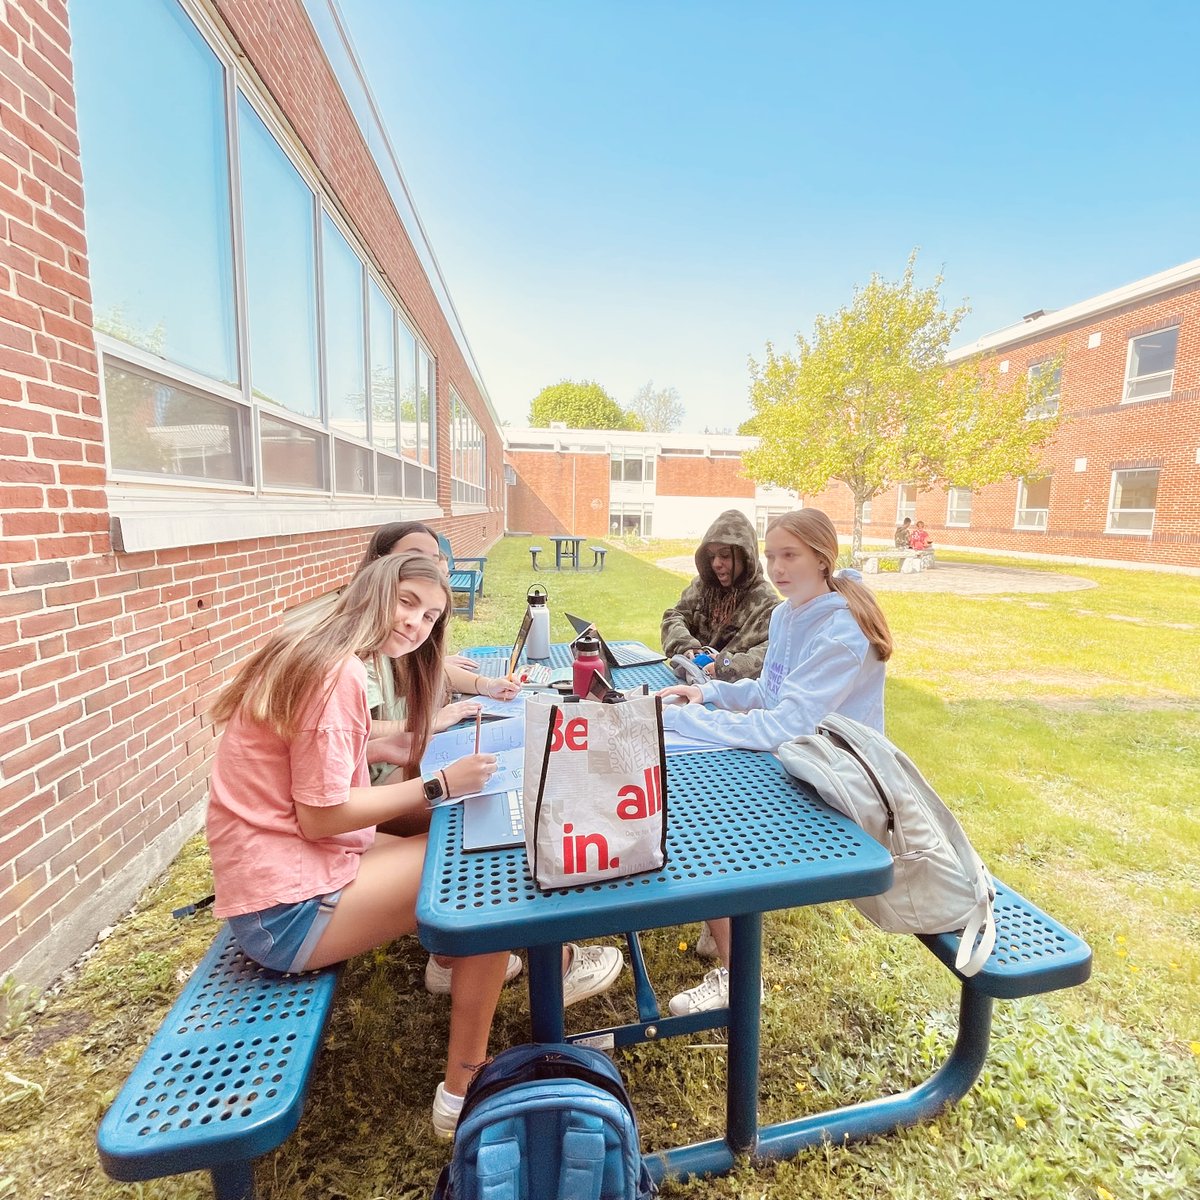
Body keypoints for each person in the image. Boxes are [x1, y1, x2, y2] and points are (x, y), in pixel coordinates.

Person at [206, 553, 509, 1138]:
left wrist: (377, 746)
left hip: (277, 881)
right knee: (485, 877)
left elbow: (303, 751)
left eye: (430, 617)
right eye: (408, 603)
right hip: (283, 912)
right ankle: (463, 1088)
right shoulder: (338, 675)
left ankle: (453, 962)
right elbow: (321, 817)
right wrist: (438, 783)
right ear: (376, 589)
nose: (417, 625)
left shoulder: (315, 644)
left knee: (448, 840)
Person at [357, 523, 623, 1010]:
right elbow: (353, 740)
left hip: (396, 772)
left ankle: (453, 958)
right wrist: (426, 736)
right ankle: (546, 961)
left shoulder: (402, 627)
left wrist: (477, 693)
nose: (431, 566)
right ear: (379, 567)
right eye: (414, 558)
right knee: (493, 822)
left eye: (437, 558)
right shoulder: (357, 649)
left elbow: (434, 670)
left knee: (498, 796)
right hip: (374, 791)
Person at [656, 508, 894, 1015]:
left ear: (823, 558)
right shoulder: (789, 613)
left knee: (708, 819)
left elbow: (786, 724)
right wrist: (708, 694)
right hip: (801, 760)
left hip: (841, 784)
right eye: (772, 557)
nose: (778, 568)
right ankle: (721, 923)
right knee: (699, 790)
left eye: (791, 556)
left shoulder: (842, 632)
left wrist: (684, 722)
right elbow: (769, 690)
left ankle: (739, 974)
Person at [660, 509, 779, 681]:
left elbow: (772, 654)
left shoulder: (766, 602)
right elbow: (674, 617)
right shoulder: (703, 587)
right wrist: (686, 646)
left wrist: (724, 666)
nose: (716, 564)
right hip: (688, 681)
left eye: (724, 555)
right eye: (711, 556)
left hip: (732, 699)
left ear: (745, 557)